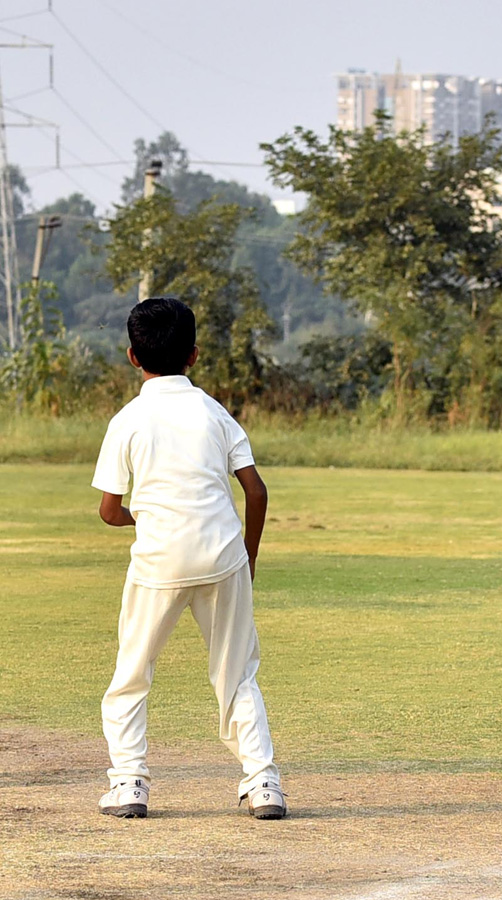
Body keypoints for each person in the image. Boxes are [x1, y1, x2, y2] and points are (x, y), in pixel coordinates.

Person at [91, 297, 286, 819]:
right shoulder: (213, 412)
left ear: (133, 356)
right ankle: (263, 783)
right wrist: (247, 558)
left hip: (159, 561)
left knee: (132, 673)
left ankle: (130, 783)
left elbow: (109, 511)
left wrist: (148, 517)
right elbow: (257, 491)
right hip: (223, 556)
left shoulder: (127, 420)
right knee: (237, 675)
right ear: (194, 354)